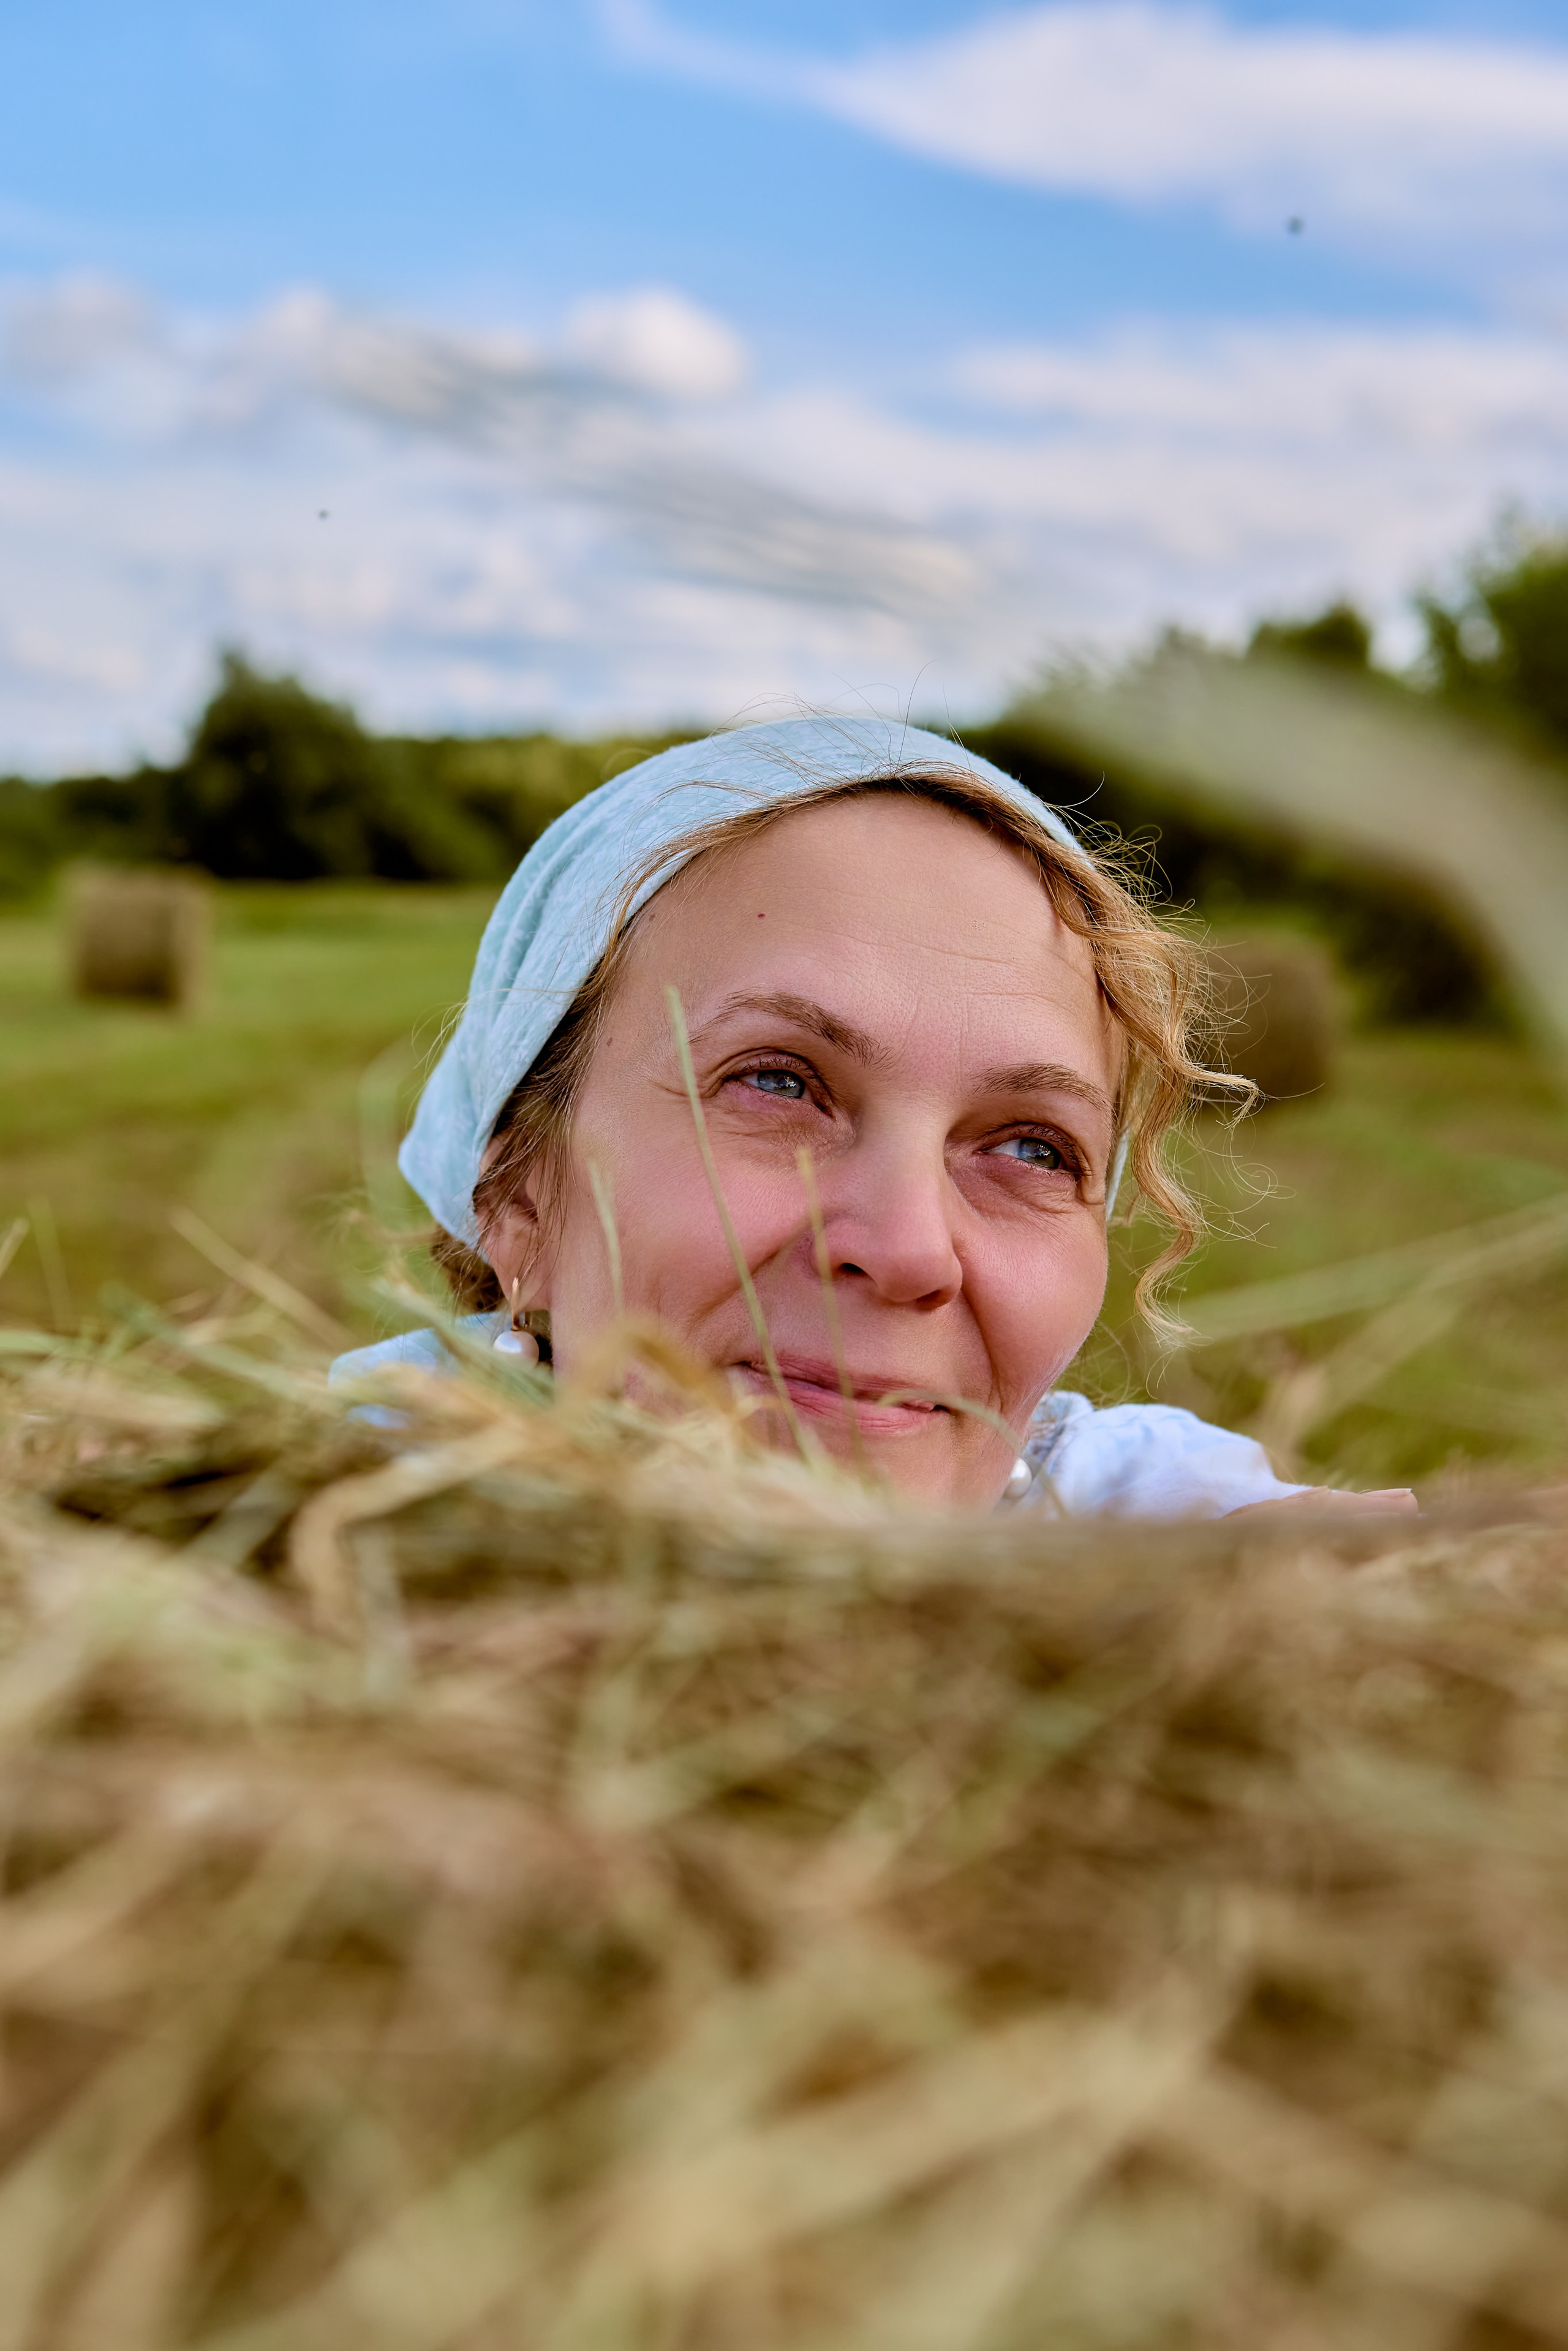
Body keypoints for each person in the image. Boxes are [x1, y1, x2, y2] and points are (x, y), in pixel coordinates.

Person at [333, 717, 1414, 1520]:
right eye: (778, 1082)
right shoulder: (343, 1505)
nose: (907, 1250)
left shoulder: (1131, 1517)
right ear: (520, 1196)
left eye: (1033, 1147)